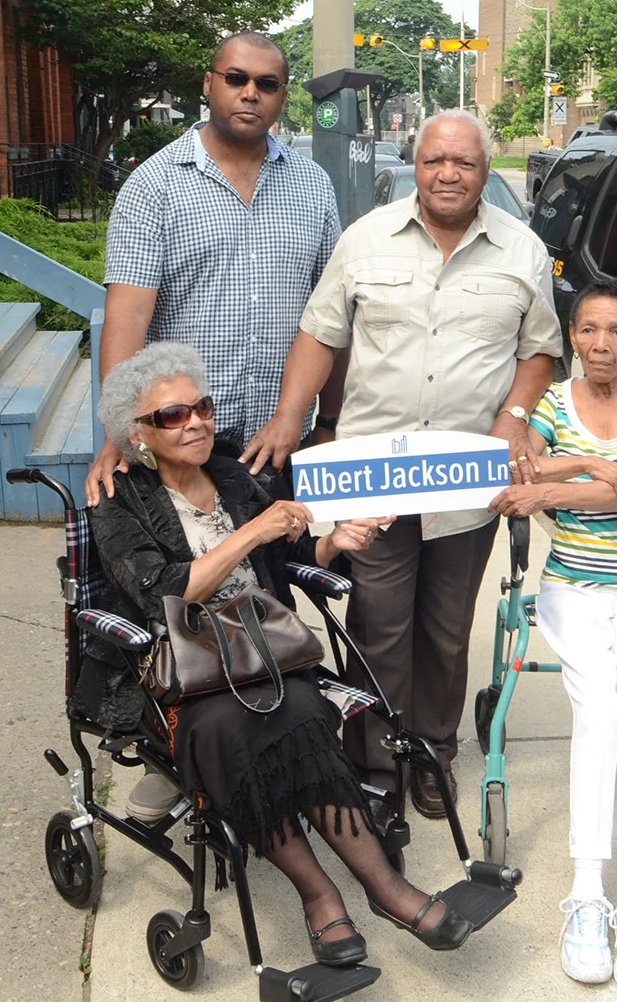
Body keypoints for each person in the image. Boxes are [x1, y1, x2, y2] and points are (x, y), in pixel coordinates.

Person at [74, 342, 475, 963]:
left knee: (306, 716)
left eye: (201, 408)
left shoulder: (232, 475)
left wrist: (333, 542)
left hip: (268, 656)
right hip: (184, 678)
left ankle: (382, 888)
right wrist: (252, 531)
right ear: (139, 435)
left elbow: (286, 559)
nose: (197, 423)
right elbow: (162, 595)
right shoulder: (120, 500)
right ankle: (320, 897)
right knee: (242, 729)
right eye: (173, 416)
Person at [242, 109, 563, 818]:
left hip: (464, 479)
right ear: (417, 165)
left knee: (447, 629)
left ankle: (435, 753)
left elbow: (539, 348)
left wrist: (515, 418)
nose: (448, 173)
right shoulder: (365, 240)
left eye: (465, 163)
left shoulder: (522, 250)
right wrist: (291, 419)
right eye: (435, 160)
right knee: (379, 622)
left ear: (484, 171)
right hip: (374, 475)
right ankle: (378, 762)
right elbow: (320, 334)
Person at [494, 279, 617, 994]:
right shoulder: (552, 404)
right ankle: (586, 894)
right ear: (571, 336)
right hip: (573, 591)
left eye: (616, 331)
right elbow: (509, 468)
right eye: (587, 330)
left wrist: (545, 491)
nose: (600, 344)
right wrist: (576, 461)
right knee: (598, 714)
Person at [84, 31, 343, 509]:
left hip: (278, 440)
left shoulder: (313, 187)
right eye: (236, 78)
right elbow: (126, 320)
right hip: (181, 441)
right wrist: (117, 435)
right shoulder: (153, 186)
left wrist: (327, 423)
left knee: (274, 576)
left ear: (283, 96)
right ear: (209, 84)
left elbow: (333, 315)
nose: (250, 93)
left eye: (267, 84)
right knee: (193, 582)